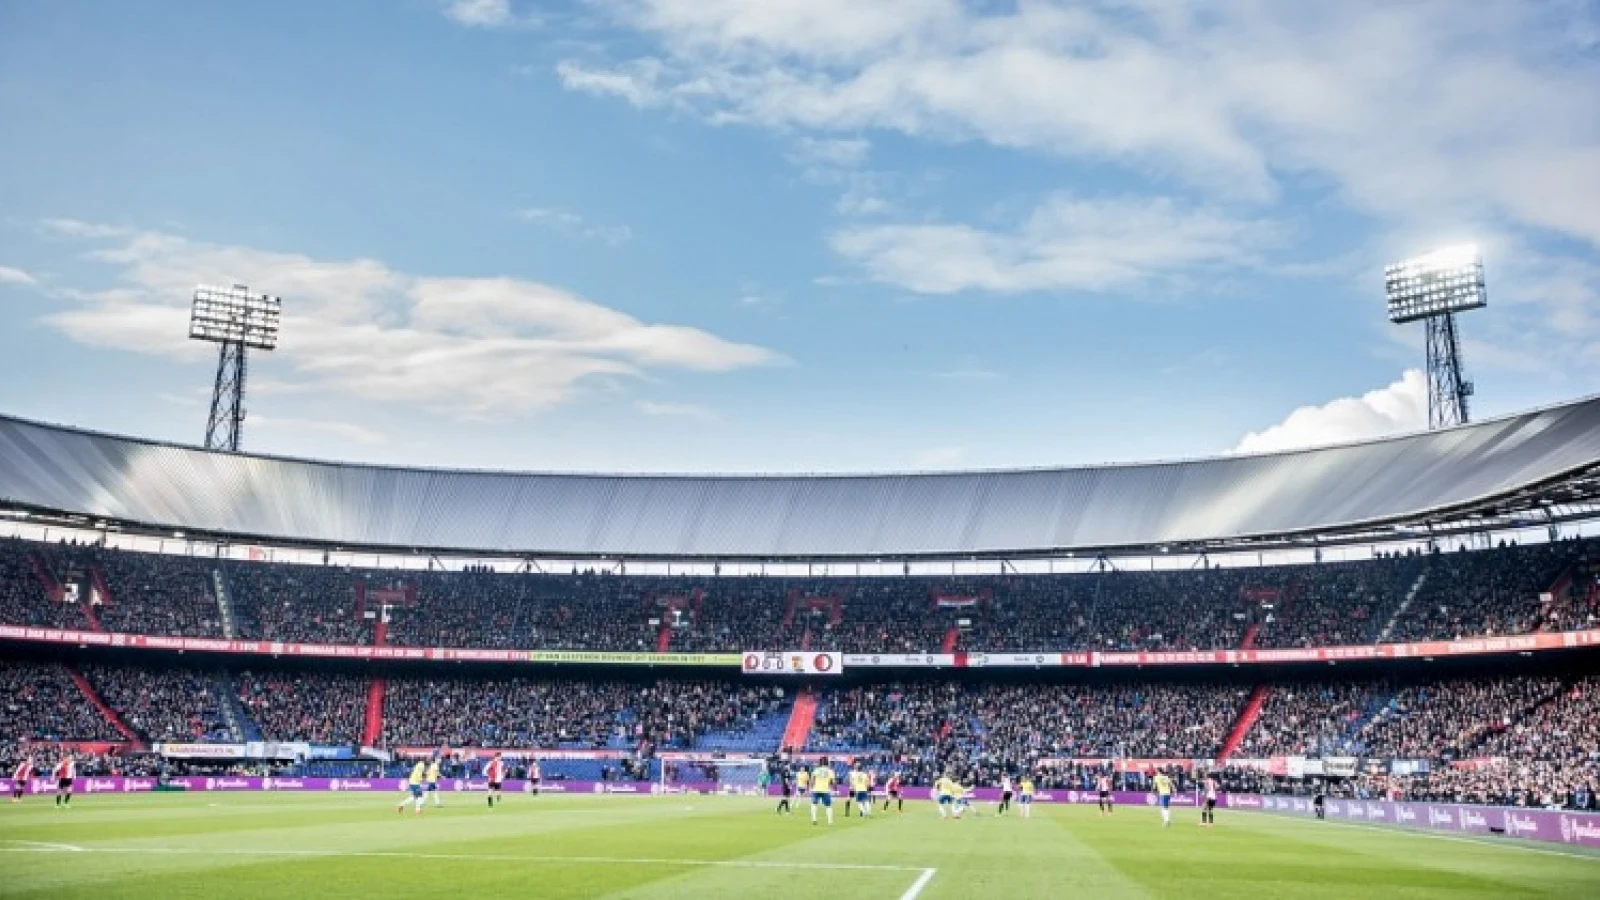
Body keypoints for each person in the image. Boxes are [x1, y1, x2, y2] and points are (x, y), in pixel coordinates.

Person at [809, 759, 836, 826]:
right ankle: (830, 821)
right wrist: (834, 788)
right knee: (828, 806)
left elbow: (812, 780)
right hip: (825, 790)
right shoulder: (830, 771)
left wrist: (811, 788)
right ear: (827, 763)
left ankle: (814, 820)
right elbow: (833, 782)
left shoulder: (816, 770)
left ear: (820, 763)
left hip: (816, 790)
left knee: (814, 804)